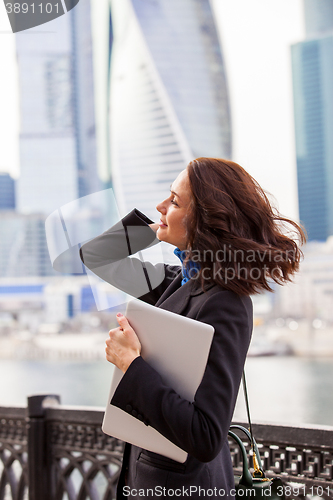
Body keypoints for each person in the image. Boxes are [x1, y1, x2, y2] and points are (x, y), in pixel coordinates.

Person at [80, 158, 305, 499]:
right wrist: (157, 223)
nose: (159, 206)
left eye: (173, 201)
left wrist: (131, 366)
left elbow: (206, 436)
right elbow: (96, 255)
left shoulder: (226, 302)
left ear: (206, 218)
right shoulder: (180, 281)